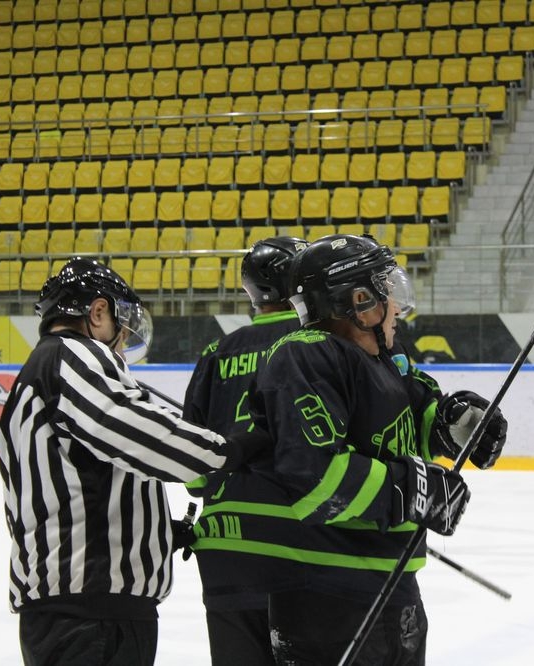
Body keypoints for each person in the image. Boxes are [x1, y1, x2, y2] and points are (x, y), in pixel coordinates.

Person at [194, 234, 508, 665]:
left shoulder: (376, 353)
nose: (397, 306)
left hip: (360, 575)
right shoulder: (309, 352)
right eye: (386, 290)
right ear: (358, 300)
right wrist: (409, 489)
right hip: (327, 576)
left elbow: (406, 419)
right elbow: (317, 475)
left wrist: (453, 424)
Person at [0, 257, 269, 666]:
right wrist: (231, 449)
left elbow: (75, 487)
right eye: (122, 328)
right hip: (90, 615)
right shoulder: (71, 356)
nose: (122, 343)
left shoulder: (41, 373)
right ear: (98, 312)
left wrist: (153, 532)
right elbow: (139, 433)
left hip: (78, 610)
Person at [181, 236, 307, 665]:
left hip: (225, 548)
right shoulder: (315, 344)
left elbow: (195, 476)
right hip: (300, 546)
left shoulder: (215, 353)